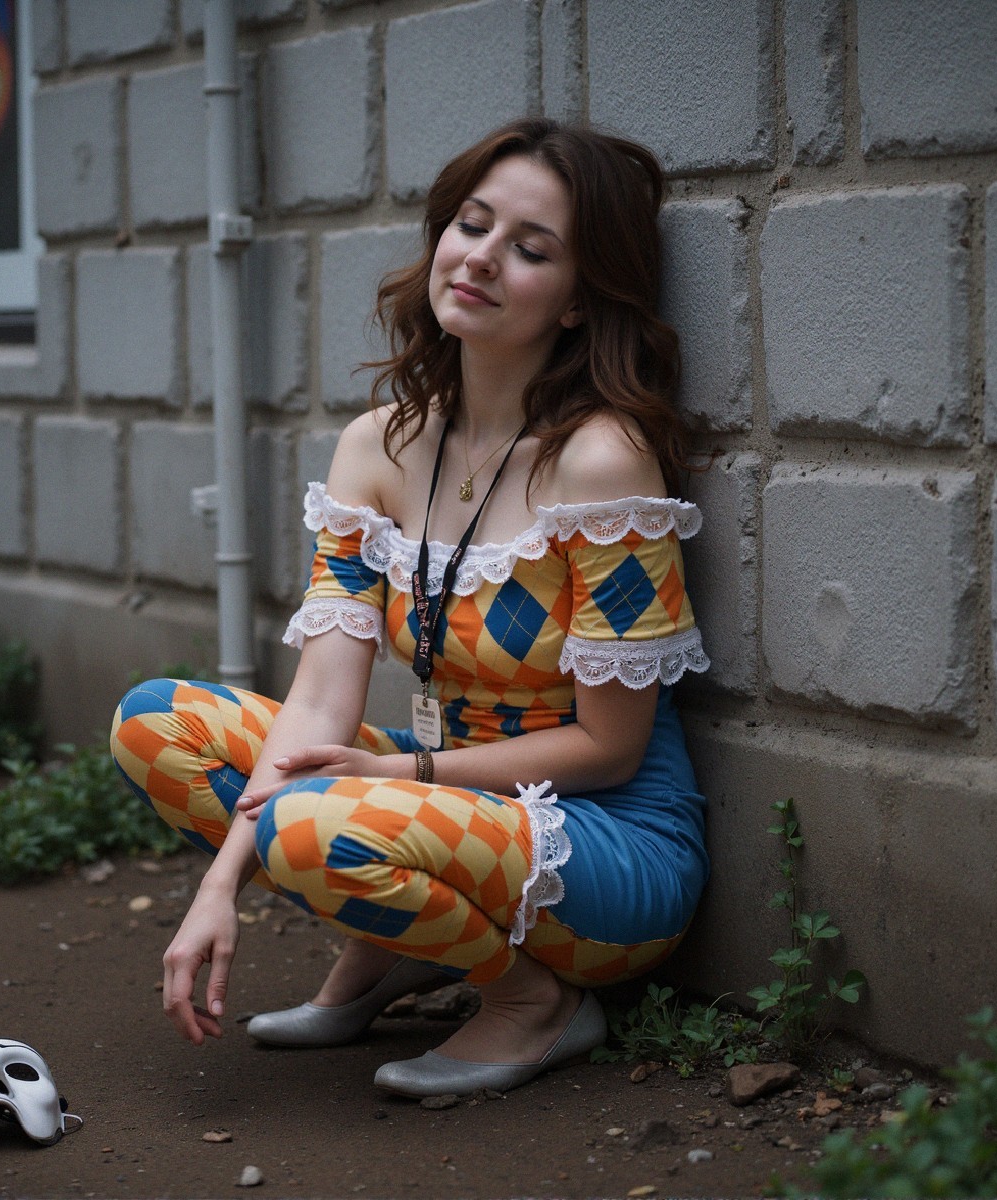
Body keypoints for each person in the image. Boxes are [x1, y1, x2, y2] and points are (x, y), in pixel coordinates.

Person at [111, 117, 710, 1098]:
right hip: (445, 799)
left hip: (606, 846)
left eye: (530, 249)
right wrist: (217, 884)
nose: (479, 258)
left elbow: (610, 748)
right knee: (158, 724)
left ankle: (532, 1003)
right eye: (471, 225)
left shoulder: (602, 463)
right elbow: (318, 707)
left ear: (574, 301)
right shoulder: (378, 447)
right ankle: (395, 942)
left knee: (310, 821)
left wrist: (405, 773)